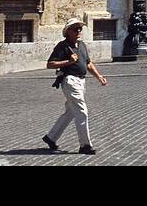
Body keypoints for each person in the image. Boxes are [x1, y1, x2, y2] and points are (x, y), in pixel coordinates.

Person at [42, 19, 107, 156]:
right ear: (68, 32)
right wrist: (69, 61)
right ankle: (85, 145)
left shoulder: (82, 45)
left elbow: (88, 63)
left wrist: (98, 76)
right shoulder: (62, 46)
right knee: (82, 111)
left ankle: (51, 137)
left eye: (80, 29)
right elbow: (50, 64)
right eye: (75, 29)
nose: (79, 31)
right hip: (70, 81)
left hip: (81, 81)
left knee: (71, 112)